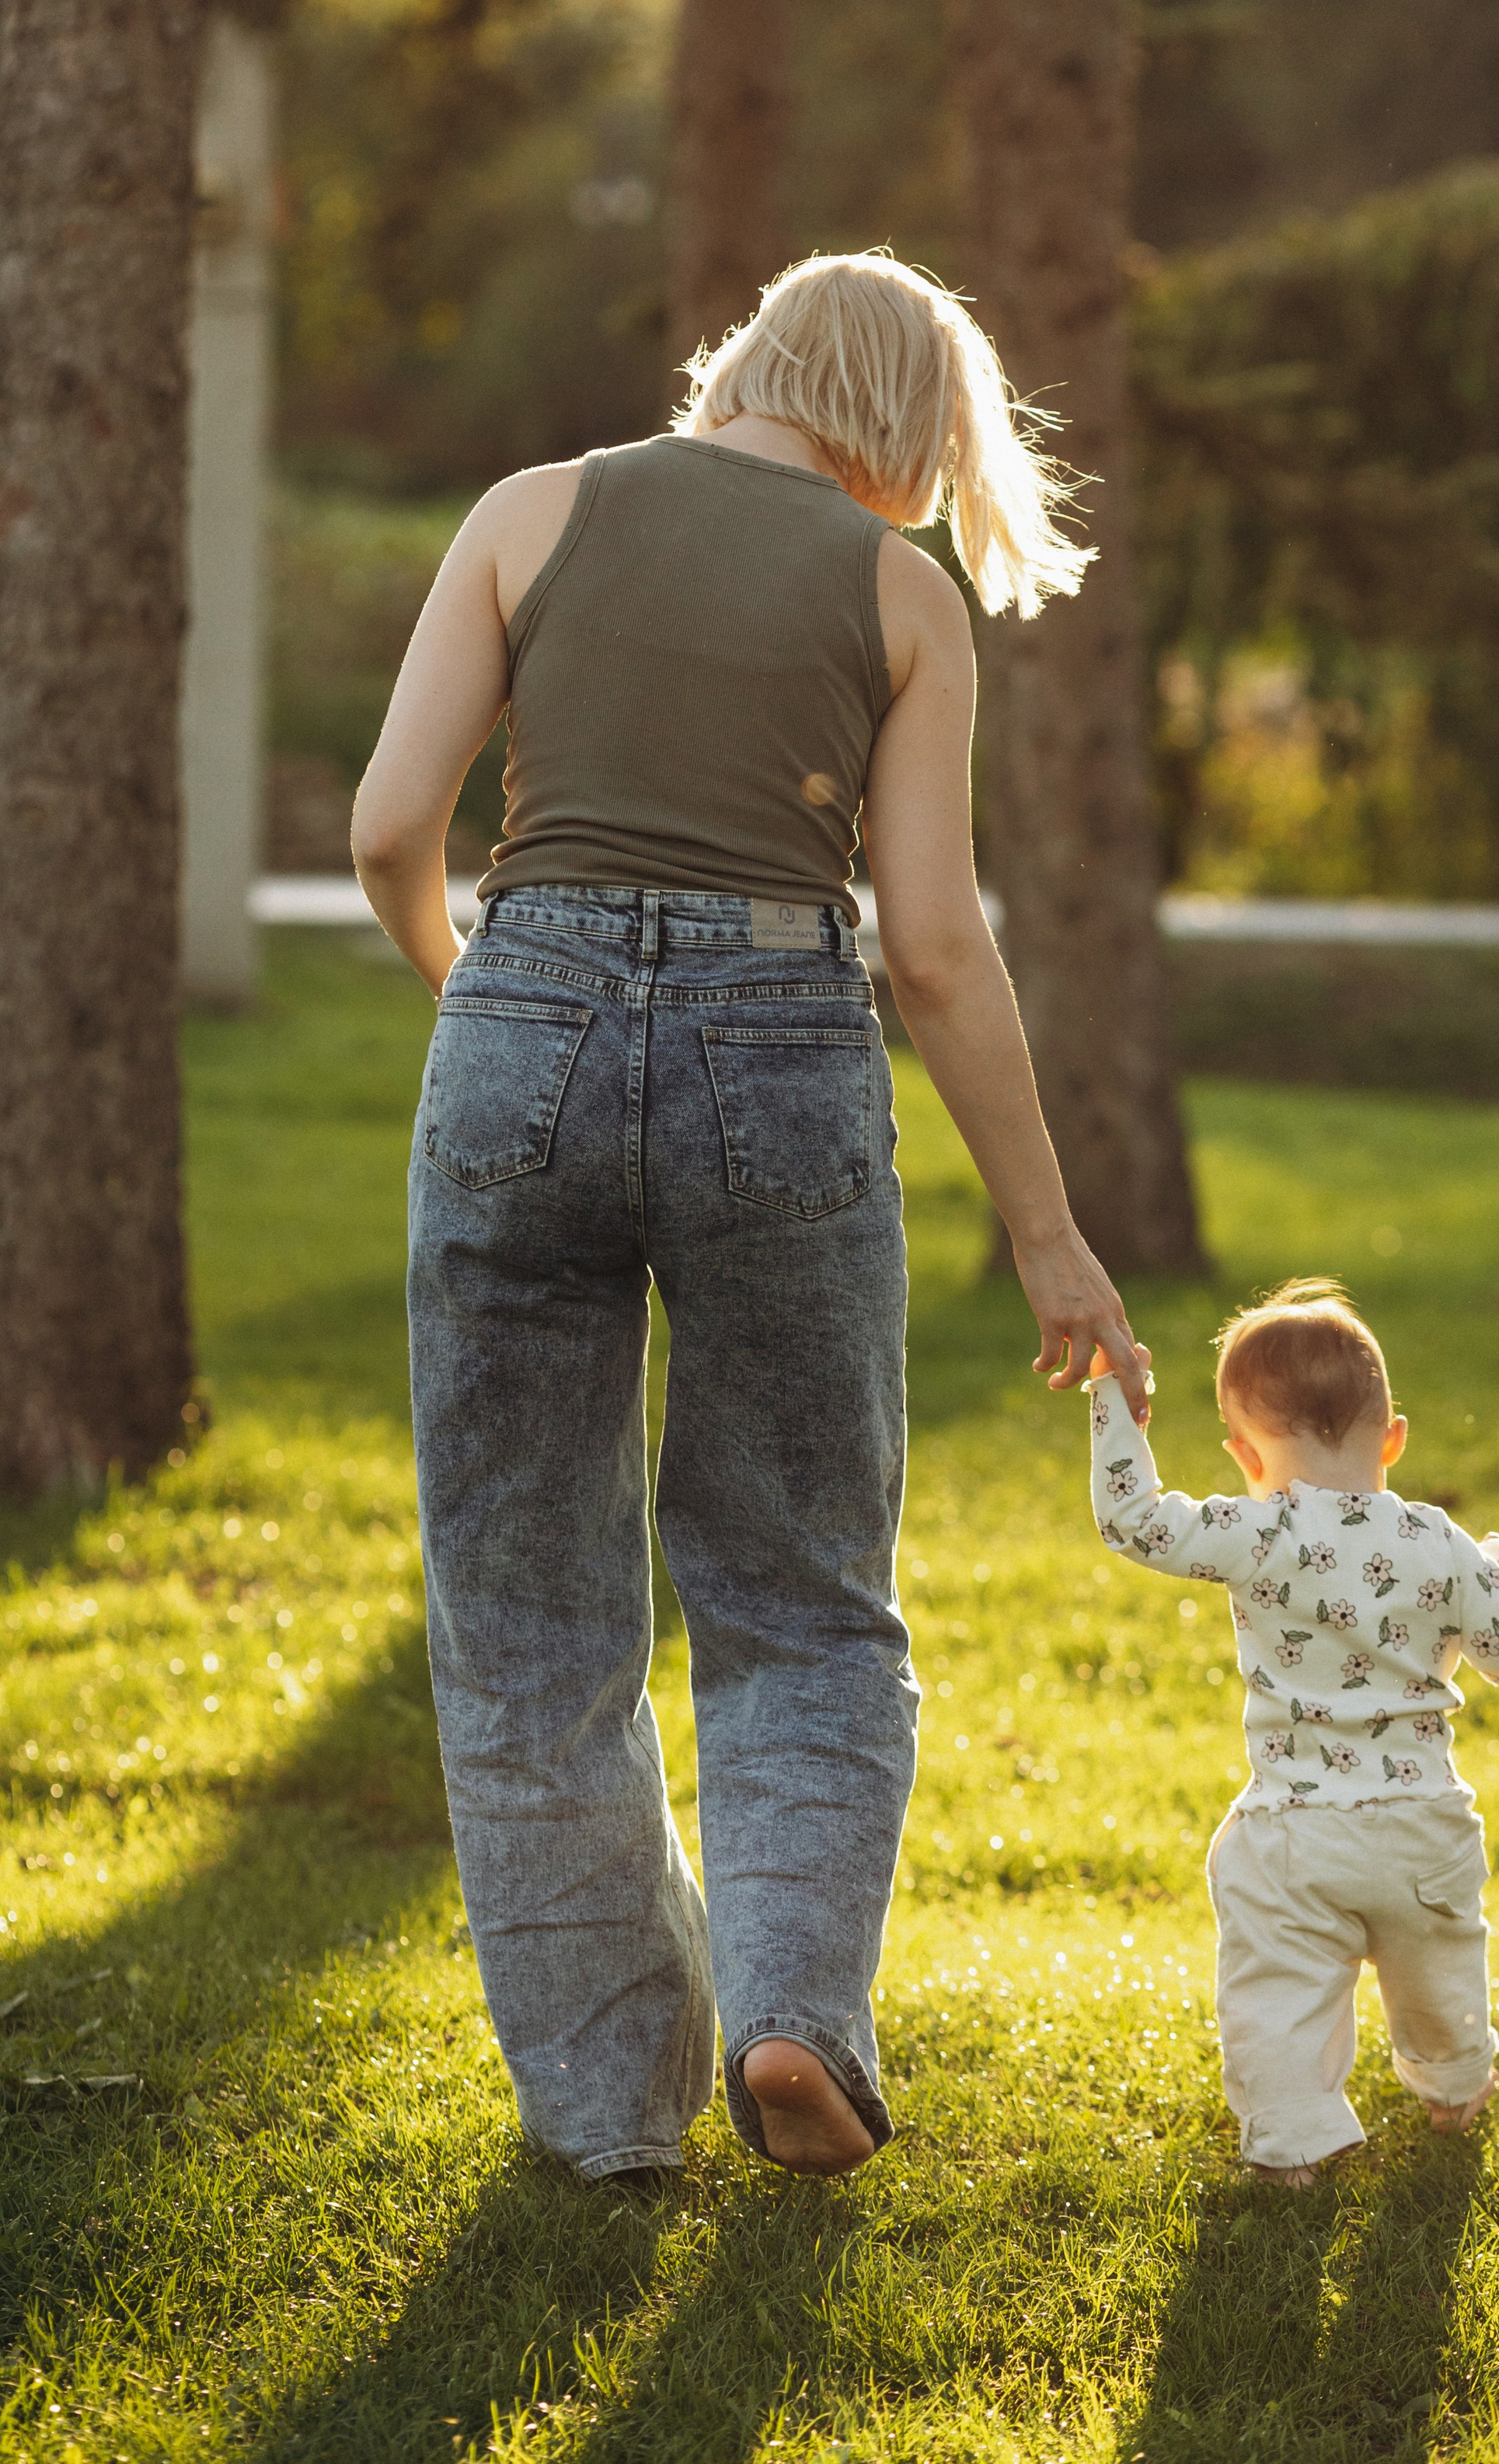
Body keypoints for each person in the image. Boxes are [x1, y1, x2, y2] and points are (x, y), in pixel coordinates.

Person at [351, 251, 1149, 2189]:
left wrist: (479, 986)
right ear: (907, 423)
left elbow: (387, 828)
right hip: (776, 1043)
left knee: (528, 1616)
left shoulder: (529, 510)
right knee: (797, 1587)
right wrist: (1048, 1234)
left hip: (519, 1018)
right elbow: (934, 945)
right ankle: (793, 2017)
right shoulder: (899, 593)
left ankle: (605, 2120)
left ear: (753, 366)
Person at [1086, 1277, 1499, 2183]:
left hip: (1293, 1832)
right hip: (1422, 1829)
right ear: (1393, 1438)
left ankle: (1292, 2146)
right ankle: (1454, 2085)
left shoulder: (1259, 1532)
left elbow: (1133, 1522)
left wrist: (1116, 1397)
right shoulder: (1439, 1541)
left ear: (1245, 1456)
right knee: (1441, 1967)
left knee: (1278, 1991)